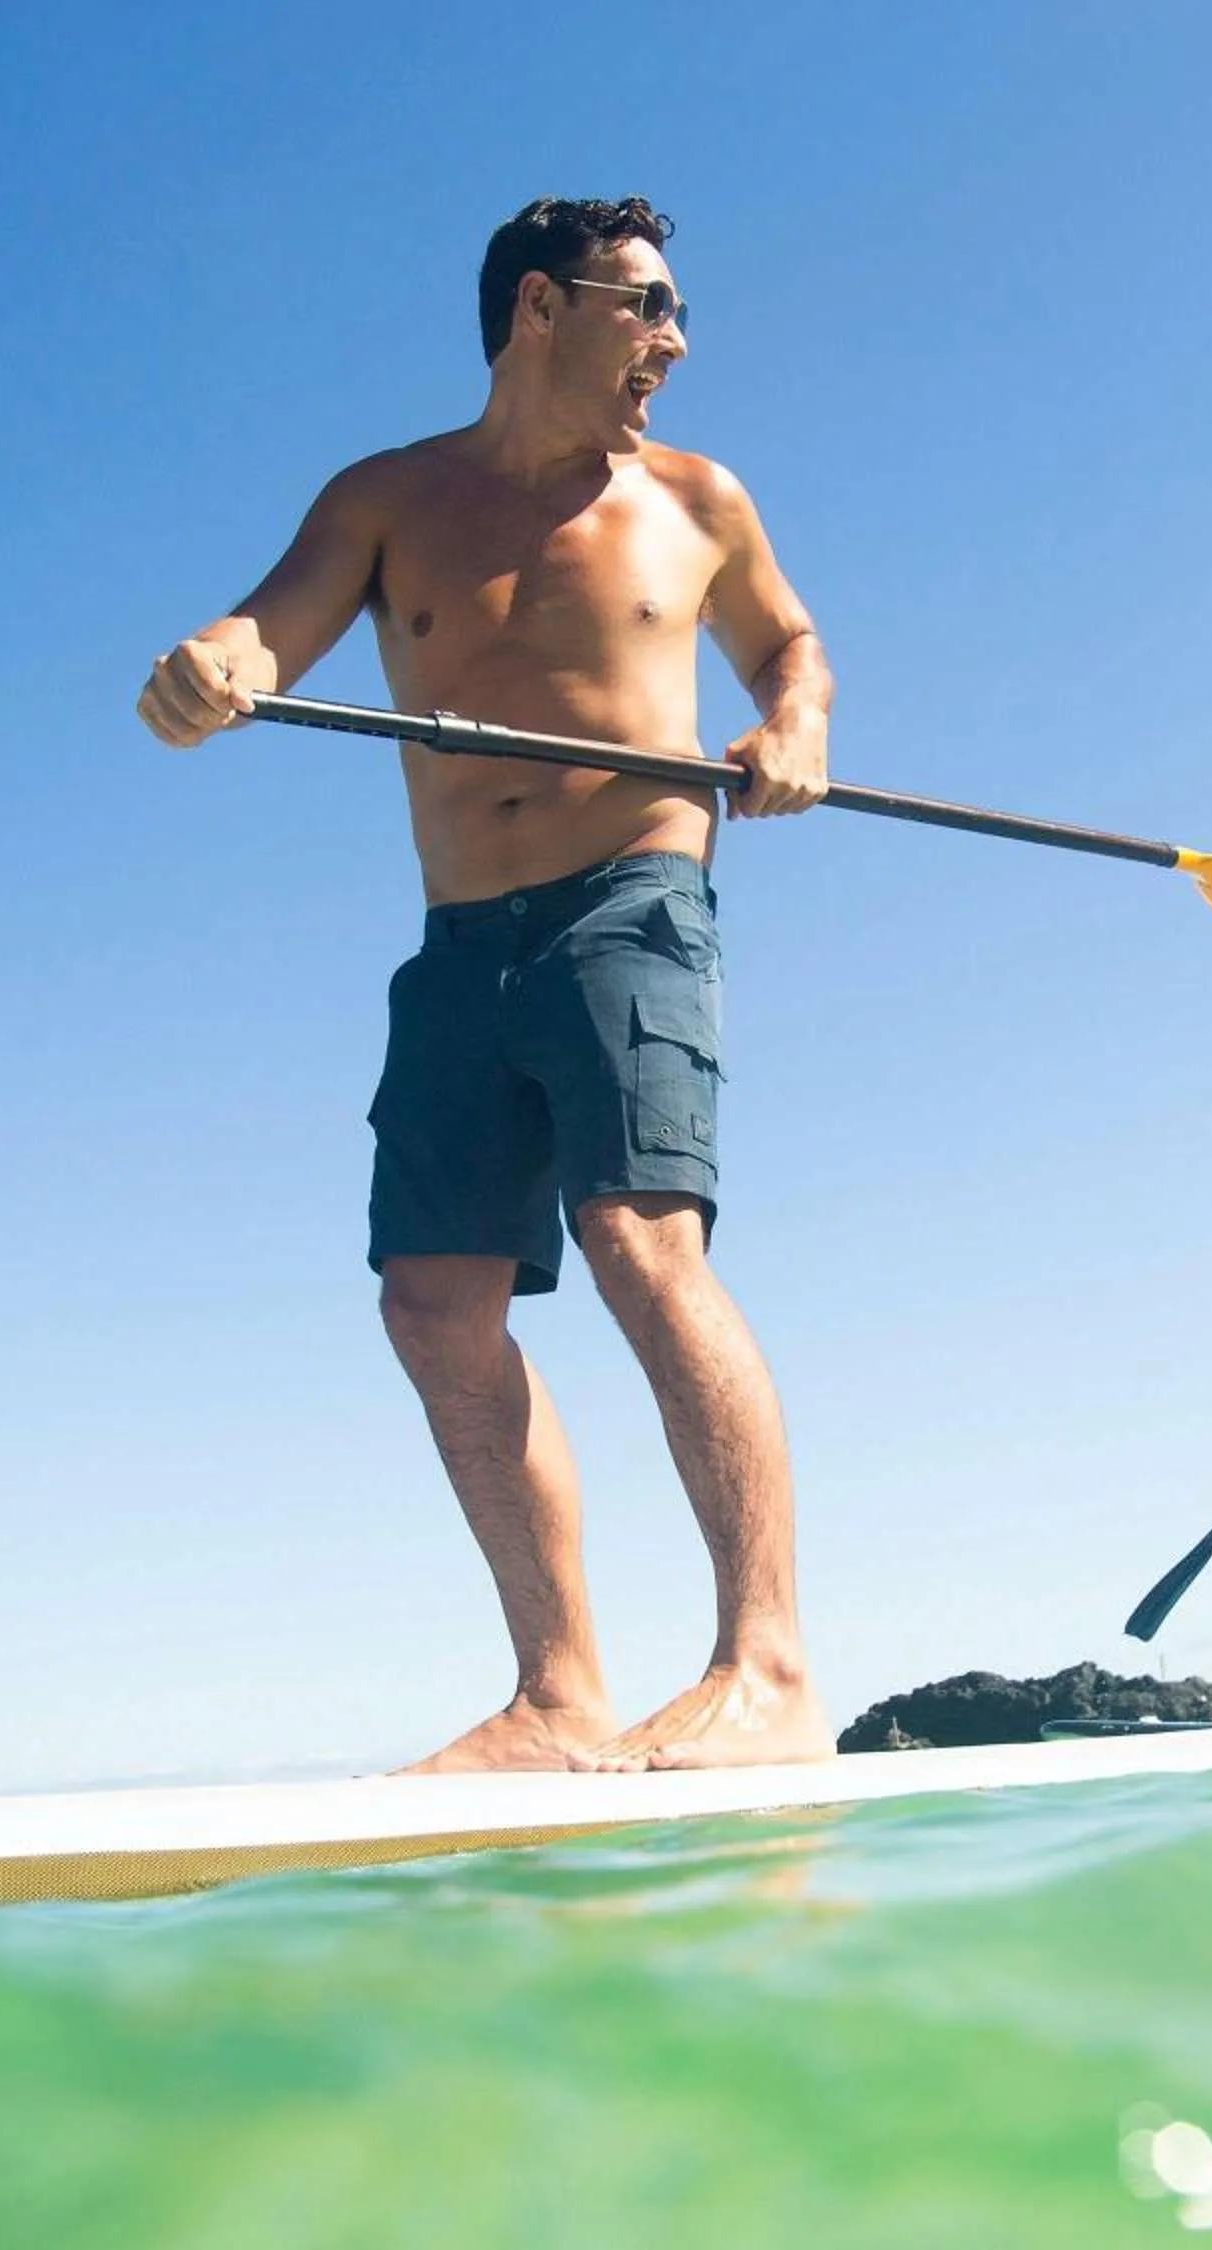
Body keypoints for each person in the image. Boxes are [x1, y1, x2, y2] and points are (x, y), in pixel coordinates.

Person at [133, 197, 837, 1773]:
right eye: (646, 306)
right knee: (432, 1300)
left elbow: (791, 648)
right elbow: (271, 627)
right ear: (541, 305)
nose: (675, 341)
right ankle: (560, 1694)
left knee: (640, 1240)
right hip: (463, 942)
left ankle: (771, 1670)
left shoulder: (697, 500)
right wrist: (214, 668)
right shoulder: (388, 498)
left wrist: (792, 727)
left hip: (631, 907)